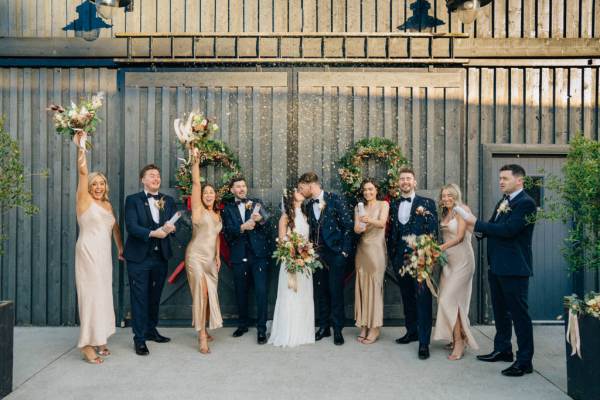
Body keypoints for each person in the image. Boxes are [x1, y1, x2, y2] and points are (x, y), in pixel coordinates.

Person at [455, 164, 537, 377]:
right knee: (500, 312)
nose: (501, 181)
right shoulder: (503, 201)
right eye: (500, 178)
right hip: (497, 266)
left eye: (505, 178)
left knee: (519, 315)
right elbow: (491, 227)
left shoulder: (526, 204)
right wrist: (472, 226)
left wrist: (476, 222)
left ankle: (525, 360)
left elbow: (509, 231)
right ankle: (502, 349)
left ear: (519, 180)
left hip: (515, 268)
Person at [73, 131, 124, 364]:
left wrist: (120, 248)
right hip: (88, 252)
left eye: (102, 183)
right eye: (95, 184)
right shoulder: (84, 200)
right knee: (91, 296)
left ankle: (100, 337)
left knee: (103, 295)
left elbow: (114, 228)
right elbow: (83, 172)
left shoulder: (107, 204)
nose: (98, 187)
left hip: (104, 256)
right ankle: (86, 344)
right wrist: (81, 146)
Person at [123, 163, 177, 356]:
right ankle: (139, 339)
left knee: (154, 297)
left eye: (158, 175)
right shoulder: (133, 200)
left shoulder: (168, 200)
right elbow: (132, 226)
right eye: (152, 175)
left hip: (160, 256)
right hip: (139, 258)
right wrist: (153, 233)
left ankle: (151, 330)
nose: (156, 178)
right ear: (143, 179)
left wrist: (172, 228)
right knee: (139, 298)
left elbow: (172, 221)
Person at [387, 166, 438, 360]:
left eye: (408, 178)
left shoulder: (427, 203)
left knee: (423, 300)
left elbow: (432, 230)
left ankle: (424, 343)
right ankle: (412, 332)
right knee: (407, 297)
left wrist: (426, 256)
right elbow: (393, 231)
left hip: (420, 258)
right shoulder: (394, 204)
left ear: (414, 182)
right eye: (402, 179)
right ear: (398, 183)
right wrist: (393, 255)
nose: (405, 182)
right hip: (399, 258)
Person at [297, 172, 353, 346]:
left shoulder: (335, 199)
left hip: (335, 254)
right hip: (316, 255)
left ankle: (337, 329)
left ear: (310, 185)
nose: (300, 190)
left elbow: (348, 226)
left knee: (335, 291)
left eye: (301, 187)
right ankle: (324, 327)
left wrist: (344, 252)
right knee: (320, 292)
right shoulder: (307, 205)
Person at [433, 183, 479, 360]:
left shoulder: (462, 209)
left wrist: (439, 248)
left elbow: (460, 237)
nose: (446, 199)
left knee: (448, 299)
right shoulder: (445, 212)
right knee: (450, 300)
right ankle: (456, 337)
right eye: (443, 196)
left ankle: (459, 341)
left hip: (463, 261)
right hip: (448, 263)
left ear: (456, 195)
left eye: (449, 195)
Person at [221, 176, 270, 344]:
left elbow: (268, 222)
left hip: (258, 256)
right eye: (238, 186)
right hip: (238, 255)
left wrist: (260, 220)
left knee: (261, 292)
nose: (241, 189)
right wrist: (242, 227)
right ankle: (242, 324)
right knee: (240, 292)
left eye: (243, 186)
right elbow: (226, 233)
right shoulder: (227, 209)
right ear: (232, 190)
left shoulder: (257, 203)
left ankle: (261, 329)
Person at [185, 148, 223, 354]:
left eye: (211, 192)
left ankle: (205, 328)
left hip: (210, 260)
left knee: (209, 296)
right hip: (196, 257)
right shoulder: (198, 210)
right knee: (200, 294)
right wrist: (195, 161)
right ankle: (201, 336)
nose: (208, 194)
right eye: (206, 193)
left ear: (215, 196)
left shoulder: (217, 215)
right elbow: (196, 183)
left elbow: (217, 236)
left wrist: (218, 256)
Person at [268, 188, 315, 347]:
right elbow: (281, 241)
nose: (300, 191)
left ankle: (303, 331)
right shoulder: (285, 217)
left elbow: (308, 239)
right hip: (290, 262)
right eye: (296, 190)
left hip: (305, 263)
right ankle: (288, 331)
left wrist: (306, 251)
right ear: (290, 197)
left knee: (303, 295)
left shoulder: (305, 215)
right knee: (290, 294)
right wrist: (293, 252)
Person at [353, 179, 389, 345]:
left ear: (376, 190)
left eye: (370, 189)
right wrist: (359, 226)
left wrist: (368, 220)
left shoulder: (383, 205)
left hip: (376, 250)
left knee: (374, 287)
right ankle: (363, 325)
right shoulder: (358, 208)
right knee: (362, 287)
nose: (367, 192)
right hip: (362, 249)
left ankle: (375, 327)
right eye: (365, 190)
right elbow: (356, 228)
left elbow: (382, 223)